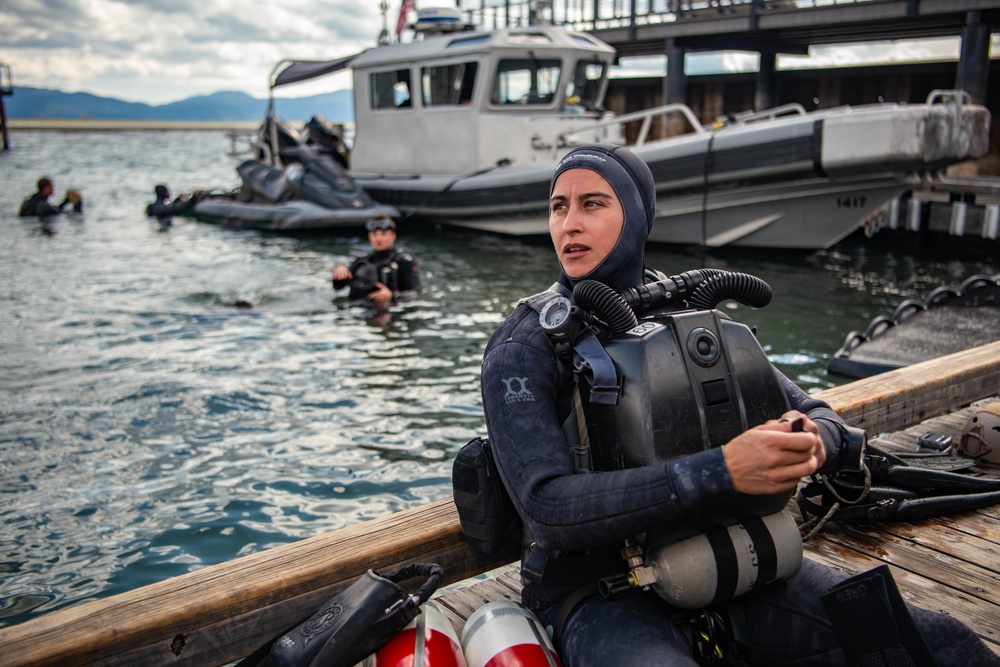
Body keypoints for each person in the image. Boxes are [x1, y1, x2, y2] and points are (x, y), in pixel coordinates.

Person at [479, 143, 1000, 667]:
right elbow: (546, 509)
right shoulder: (524, 347)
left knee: (943, 644)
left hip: (732, 559)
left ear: (637, 216)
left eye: (592, 204)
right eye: (558, 206)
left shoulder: (683, 310)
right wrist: (721, 471)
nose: (569, 224)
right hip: (598, 593)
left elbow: (816, 412)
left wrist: (812, 439)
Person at [331, 217, 421, 302]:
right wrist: (340, 273)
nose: (378, 239)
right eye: (374, 234)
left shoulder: (404, 261)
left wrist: (392, 296)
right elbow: (339, 287)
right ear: (369, 236)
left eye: (383, 234)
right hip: (358, 307)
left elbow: (416, 292)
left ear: (393, 236)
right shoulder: (362, 261)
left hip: (388, 309)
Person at [19, 177, 83, 217]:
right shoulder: (43, 204)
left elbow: (54, 210)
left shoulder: (31, 199)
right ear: (46, 188)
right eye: (52, 186)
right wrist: (78, 203)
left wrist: (66, 202)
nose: (53, 188)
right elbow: (58, 213)